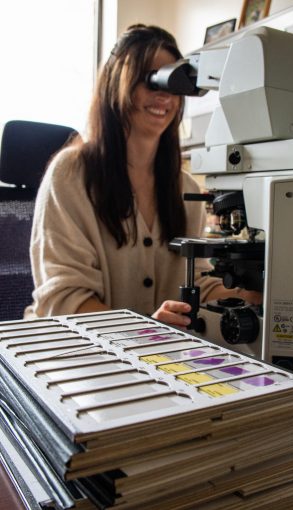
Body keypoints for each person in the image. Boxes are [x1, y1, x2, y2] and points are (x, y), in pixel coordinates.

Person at [25, 24, 261, 327]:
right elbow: (63, 299)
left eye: (172, 84)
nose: (164, 96)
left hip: (157, 358)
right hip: (74, 353)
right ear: (117, 84)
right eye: (151, 80)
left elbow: (198, 284)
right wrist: (145, 328)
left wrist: (253, 297)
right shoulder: (70, 175)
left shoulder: (184, 188)